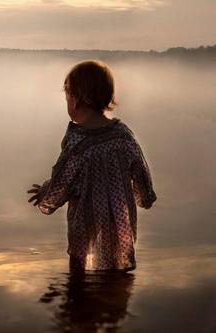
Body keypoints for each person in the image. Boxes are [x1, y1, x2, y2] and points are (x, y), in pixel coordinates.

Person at [27, 59, 157, 272]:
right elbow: (142, 177)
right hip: (121, 229)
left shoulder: (79, 145)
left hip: (84, 231)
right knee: (118, 280)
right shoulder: (124, 137)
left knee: (79, 284)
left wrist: (45, 194)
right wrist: (141, 197)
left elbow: (63, 183)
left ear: (76, 100)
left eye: (67, 96)